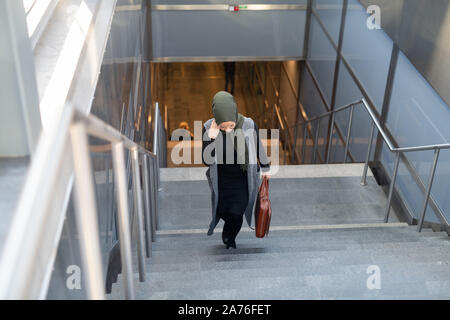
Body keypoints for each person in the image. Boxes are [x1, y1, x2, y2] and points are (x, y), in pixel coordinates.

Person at [202, 91, 271, 249]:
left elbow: (258, 146)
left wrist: (266, 166)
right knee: (223, 210)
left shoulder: (248, 124)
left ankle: (230, 235)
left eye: (231, 125)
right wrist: (211, 138)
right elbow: (207, 160)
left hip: (243, 179)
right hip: (222, 179)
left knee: (237, 212)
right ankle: (228, 226)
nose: (226, 129)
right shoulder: (208, 127)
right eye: (223, 126)